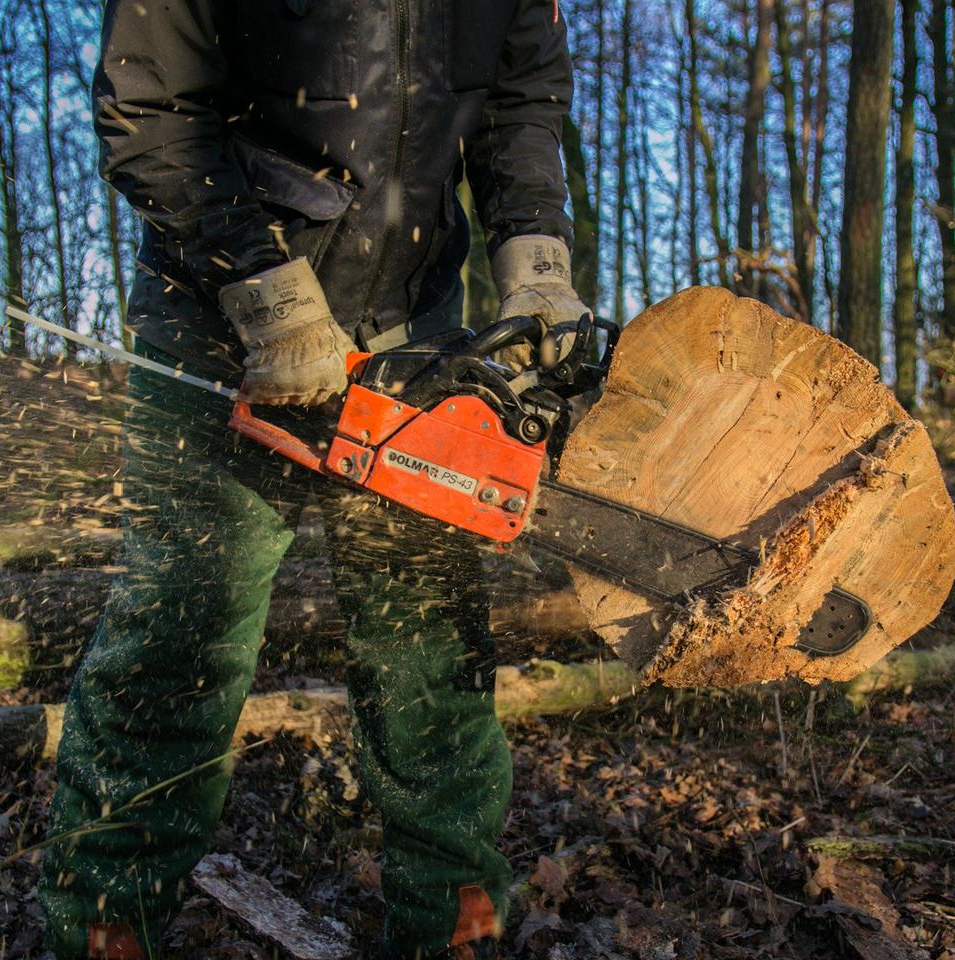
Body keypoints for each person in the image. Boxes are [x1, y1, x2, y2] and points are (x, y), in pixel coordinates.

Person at [38, 1, 589, 957]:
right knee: (181, 632)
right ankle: (106, 920)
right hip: (218, 316)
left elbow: (520, 99)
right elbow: (151, 102)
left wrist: (536, 259)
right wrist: (259, 280)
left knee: (431, 649)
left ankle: (452, 910)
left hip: (416, 325)